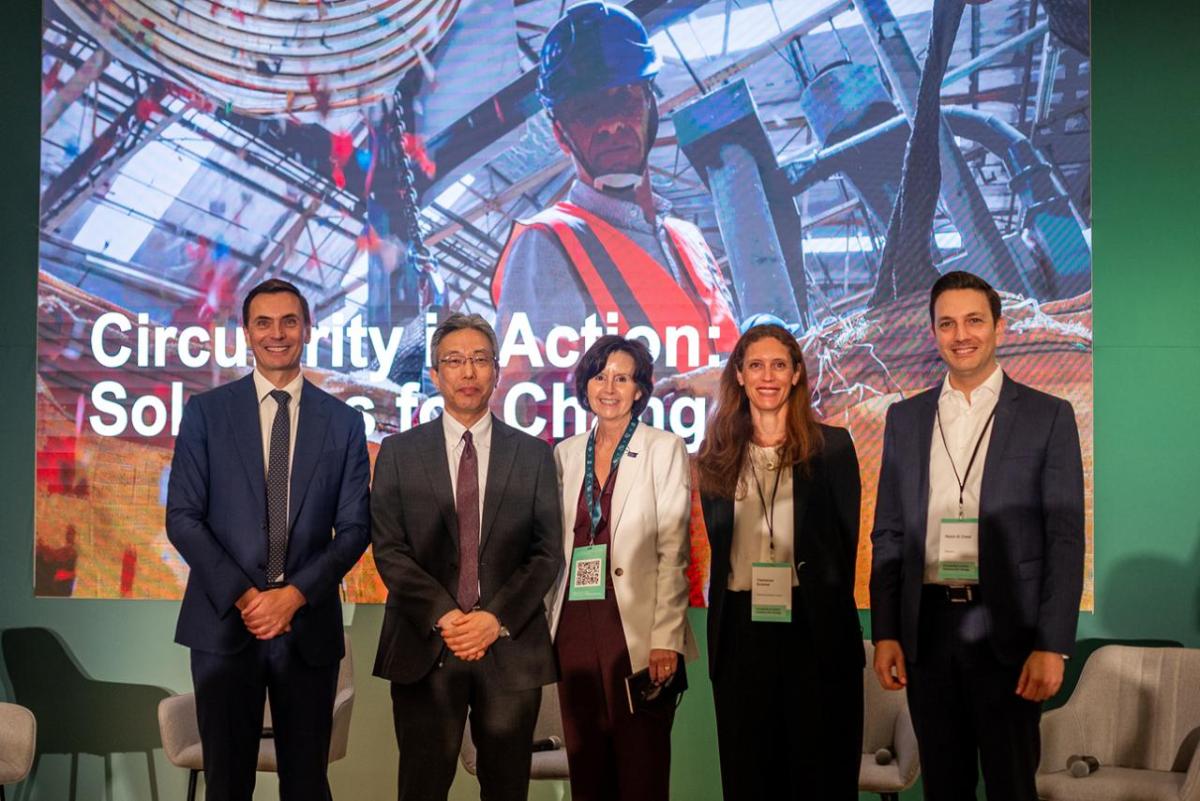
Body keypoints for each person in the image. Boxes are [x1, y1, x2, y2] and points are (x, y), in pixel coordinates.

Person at [870, 270, 1085, 801]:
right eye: (946, 324)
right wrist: (887, 632)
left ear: (999, 327)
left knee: (1012, 786)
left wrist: (1052, 645)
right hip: (929, 631)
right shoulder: (905, 418)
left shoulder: (1047, 416)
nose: (960, 335)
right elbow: (890, 533)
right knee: (944, 786)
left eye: (973, 321)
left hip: (1008, 632)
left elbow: (1063, 538)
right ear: (933, 332)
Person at [166, 279, 370, 801]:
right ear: (247, 333)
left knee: (306, 783)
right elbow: (184, 518)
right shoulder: (206, 414)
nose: (276, 334)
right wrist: (247, 596)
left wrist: (293, 596)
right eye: (263, 322)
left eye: (288, 321)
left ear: (306, 329)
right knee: (226, 784)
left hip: (307, 627)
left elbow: (354, 530)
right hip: (224, 624)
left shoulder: (344, 422)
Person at [491, 1, 738, 385]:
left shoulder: (688, 241)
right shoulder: (546, 244)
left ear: (650, 104)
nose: (610, 124)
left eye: (623, 98)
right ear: (561, 134)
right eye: (587, 111)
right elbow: (524, 406)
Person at [370, 313, 562, 801]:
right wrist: (447, 617)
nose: (468, 372)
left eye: (480, 360)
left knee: (506, 790)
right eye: (454, 361)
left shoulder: (535, 455)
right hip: (424, 646)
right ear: (435, 375)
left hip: (510, 647)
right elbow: (390, 551)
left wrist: (492, 619)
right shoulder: (397, 452)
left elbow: (546, 554)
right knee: (422, 788)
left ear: (497, 371)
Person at [694, 323, 864, 801]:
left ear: (796, 375)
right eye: (755, 365)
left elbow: (844, 546)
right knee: (749, 779)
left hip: (813, 630)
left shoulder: (833, 449)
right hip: (741, 635)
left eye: (778, 365)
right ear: (740, 376)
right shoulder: (716, 456)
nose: (767, 376)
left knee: (819, 777)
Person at [547, 335, 695, 801]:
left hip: (636, 633)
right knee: (587, 773)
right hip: (573, 627)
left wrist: (665, 637)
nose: (609, 387)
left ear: (639, 389)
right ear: (585, 385)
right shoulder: (565, 453)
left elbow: (674, 551)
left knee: (641, 775)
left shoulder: (663, 448)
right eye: (599, 375)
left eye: (622, 377)